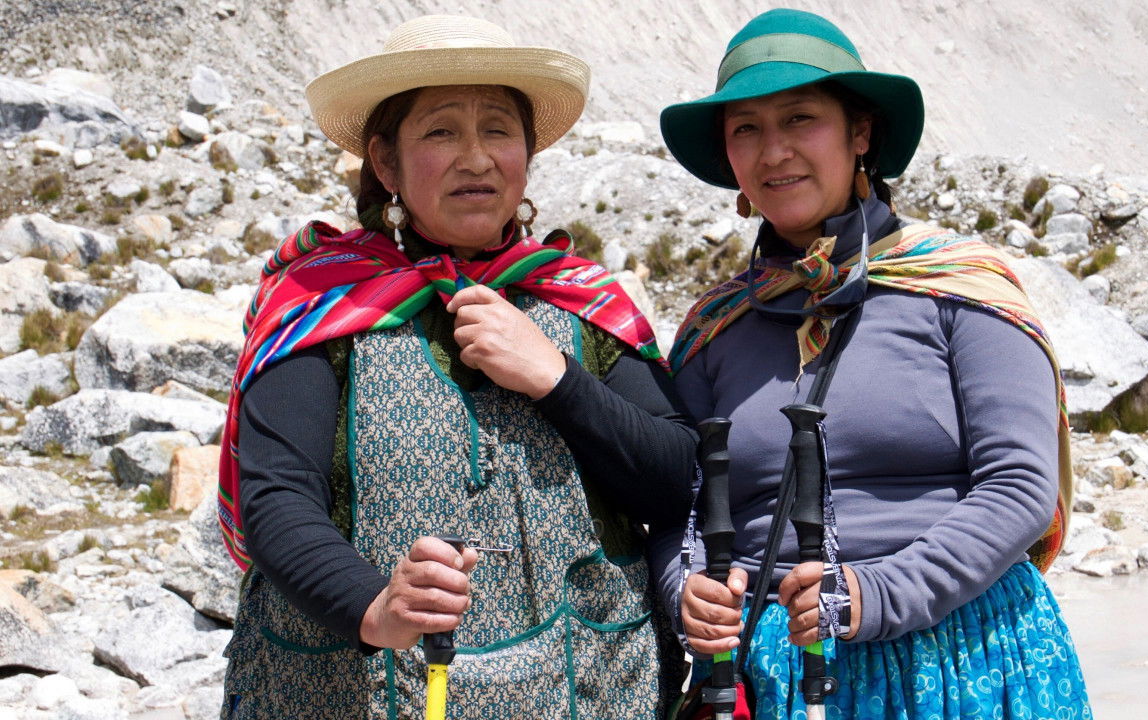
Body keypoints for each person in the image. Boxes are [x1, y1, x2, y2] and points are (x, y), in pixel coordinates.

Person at [216, 15, 692, 720]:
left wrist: (556, 378)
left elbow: (679, 479)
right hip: (359, 692)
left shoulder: (582, 303)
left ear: (526, 154)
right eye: (441, 131)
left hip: (586, 686)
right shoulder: (320, 301)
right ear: (386, 163)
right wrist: (376, 608)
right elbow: (277, 499)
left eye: (498, 130)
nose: (476, 157)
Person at [650, 9, 1092, 720]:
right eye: (747, 130)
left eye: (801, 119)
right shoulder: (712, 331)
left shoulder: (960, 288)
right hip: (774, 677)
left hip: (963, 660)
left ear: (860, 134)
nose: (774, 152)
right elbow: (680, 507)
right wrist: (685, 590)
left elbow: (1020, 485)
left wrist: (875, 594)